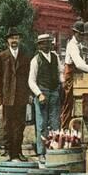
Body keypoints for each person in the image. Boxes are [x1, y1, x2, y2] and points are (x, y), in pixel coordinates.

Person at [0, 28, 32, 160]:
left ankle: (18, 151)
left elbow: (29, 77)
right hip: (7, 95)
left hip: (21, 96)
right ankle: (8, 151)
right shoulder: (1, 57)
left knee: (20, 125)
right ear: (7, 41)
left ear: (19, 40)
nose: (14, 41)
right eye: (11, 38)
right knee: (7, 124)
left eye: (16, 38)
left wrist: (30, 94)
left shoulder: (25, 57)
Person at [28, 34, 64, 163]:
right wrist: (39, 94)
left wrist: (62, 83)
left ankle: (54, 150)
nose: (47, 45)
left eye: (48, 43)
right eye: (43, 43)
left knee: (55, 123)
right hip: (42, 93)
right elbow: (31, 81)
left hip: (54, 92)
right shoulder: (35, 60)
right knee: (42, 124)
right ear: (39, 46)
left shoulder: (55, 57)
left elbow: (60, 72)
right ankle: (41, 153)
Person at [60, 20, 88, 128]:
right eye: (79, 34)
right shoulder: (72, 45)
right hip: (71, 77)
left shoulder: (80, 45)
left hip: (78, 78)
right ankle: (64, 129)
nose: (81, 36)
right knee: (68, 104)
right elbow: (79, 64)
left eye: (83, 34)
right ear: (74, 33)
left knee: (79, 104)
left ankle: (76, 129)